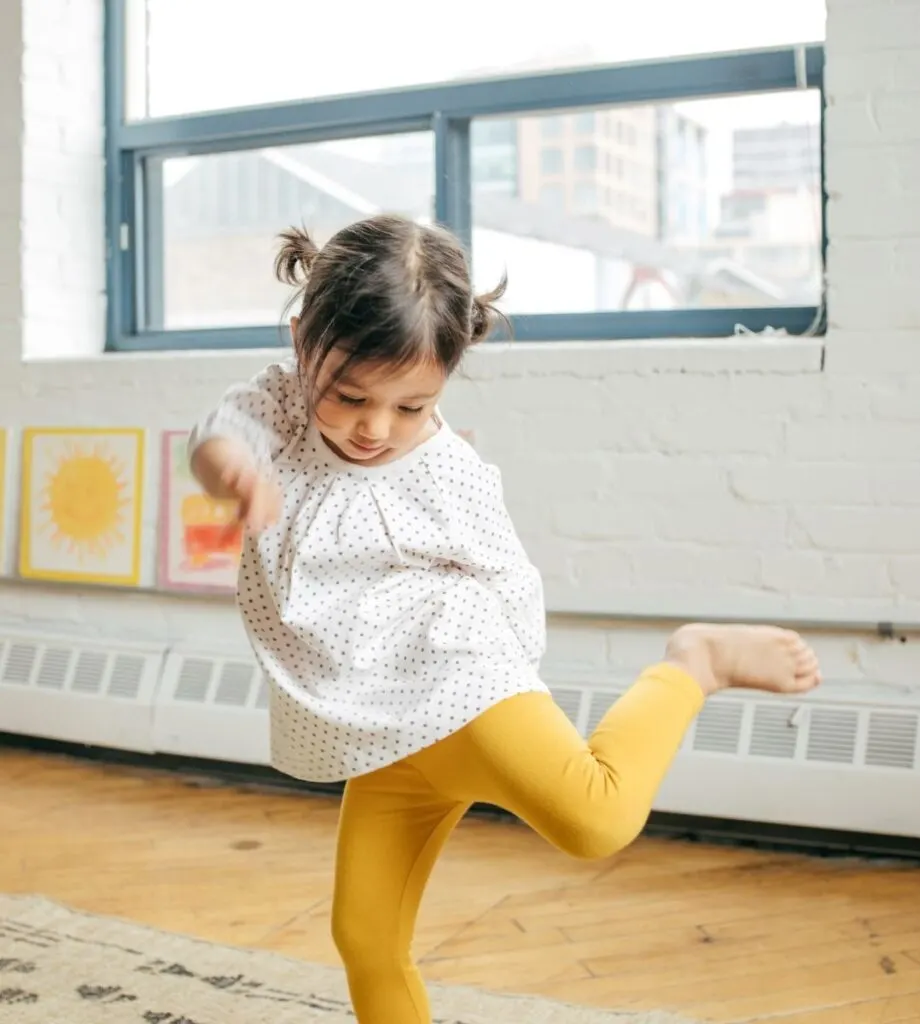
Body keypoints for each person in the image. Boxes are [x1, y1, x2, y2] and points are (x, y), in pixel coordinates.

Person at [189, 213, 822, 1024]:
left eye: (412, 406)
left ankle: (692, 662)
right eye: (349, 396)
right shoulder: (277, 406)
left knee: (595, 818)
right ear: (299, 342)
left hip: (461, 686)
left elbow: (506, 582)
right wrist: (232, 471)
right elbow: (219, 434)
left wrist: (514, 691)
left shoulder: (448, 471)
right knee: (366, 938)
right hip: (376, 730)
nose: (375, 428)